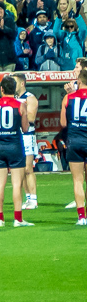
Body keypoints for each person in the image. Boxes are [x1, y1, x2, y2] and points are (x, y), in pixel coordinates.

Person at [0, 75, 33, 227]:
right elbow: (25, 128)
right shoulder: (20, 105)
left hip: (0, 146)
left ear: (1, 89)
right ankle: (18, 219)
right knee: (16, 184)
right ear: (14, 89)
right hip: (15, 145)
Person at [60, 70, 87, 226]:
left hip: (74, 140)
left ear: (79, 81)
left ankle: (81, 217)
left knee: (78, 180)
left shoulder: (68, 97)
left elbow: (63, 123)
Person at [13, 74, 40, 210]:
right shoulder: (13, 98)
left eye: (15, 82)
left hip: (27, 135)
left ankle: (33, 198)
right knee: (20, 169)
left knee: (28, 168)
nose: (13, 84)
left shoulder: (30, 98)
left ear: (22, 83)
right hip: (16, 135)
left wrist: (18, 112)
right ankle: (28, 197)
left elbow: (31, 118)